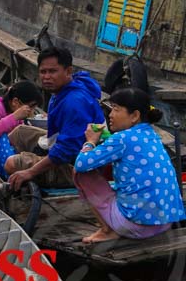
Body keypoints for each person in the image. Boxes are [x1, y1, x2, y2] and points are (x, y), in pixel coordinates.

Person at [74, 87, 186, 243]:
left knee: (80, 173)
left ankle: (107, 230)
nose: (110, 115)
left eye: (116, 109)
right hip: (165, 223)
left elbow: (81, 164)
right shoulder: (151, 134)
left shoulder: (122, 138)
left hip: (137, 227)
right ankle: (115, 224)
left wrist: (90, 141)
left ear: (134, 116)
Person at [5, 47, 103, 190]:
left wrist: (30, 172)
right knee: (19, 132)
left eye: (52, 71)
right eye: (43, 72)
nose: (46, 77)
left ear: (68, 71)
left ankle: (14, 179)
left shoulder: (74, 102)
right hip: (63, 149)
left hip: (78, 169)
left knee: (11, 163)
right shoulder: (62, 90)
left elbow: (65, 151)